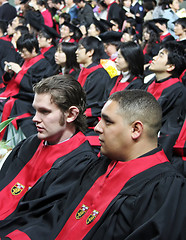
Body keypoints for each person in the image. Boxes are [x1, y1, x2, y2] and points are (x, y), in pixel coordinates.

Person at [1, 90, 185, 239]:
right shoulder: (98, 167)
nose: (97, 128)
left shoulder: (165, 188)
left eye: (108, 121)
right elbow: (54, 219)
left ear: (136, 129)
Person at [0, 74, 97, 221]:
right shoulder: (30, 144)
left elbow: (47, 221)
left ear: (71, 114)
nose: (35, 118)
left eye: (44, 112)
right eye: (36, 110)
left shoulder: (81, 162)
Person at [0, 33, 53, 143]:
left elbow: (35, 87)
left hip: (28, 99)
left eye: (23, 51)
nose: (21, 54)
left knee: (11, 104)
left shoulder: (44, 64)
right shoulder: (23, 60)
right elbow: (12, 80)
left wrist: (19, 72)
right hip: (14, 95)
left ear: (33, 49)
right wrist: (9, 72)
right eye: (20, 51)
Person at [146, 41, 186, 158]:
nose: (154, 58)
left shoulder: (178, 91)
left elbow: (170, 130)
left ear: (170, 66)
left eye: (161, 55)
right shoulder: (150, 83)